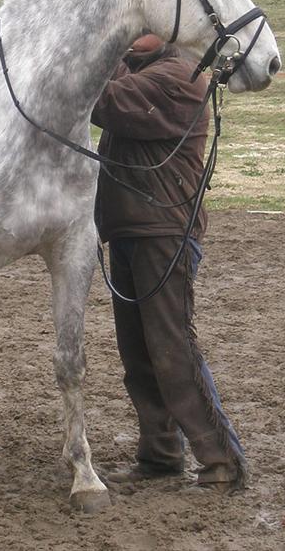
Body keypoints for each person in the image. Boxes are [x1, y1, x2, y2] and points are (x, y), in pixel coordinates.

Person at [92, 32, 249, 494]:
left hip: (163, 233)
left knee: (172, 347)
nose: (127, 32)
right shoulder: (148, 70)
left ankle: (222, 459)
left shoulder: (180, 76)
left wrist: (93, 52)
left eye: (139, 25)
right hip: (131, 229)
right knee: (139, 353)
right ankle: (160, 455)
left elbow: (105, 100)